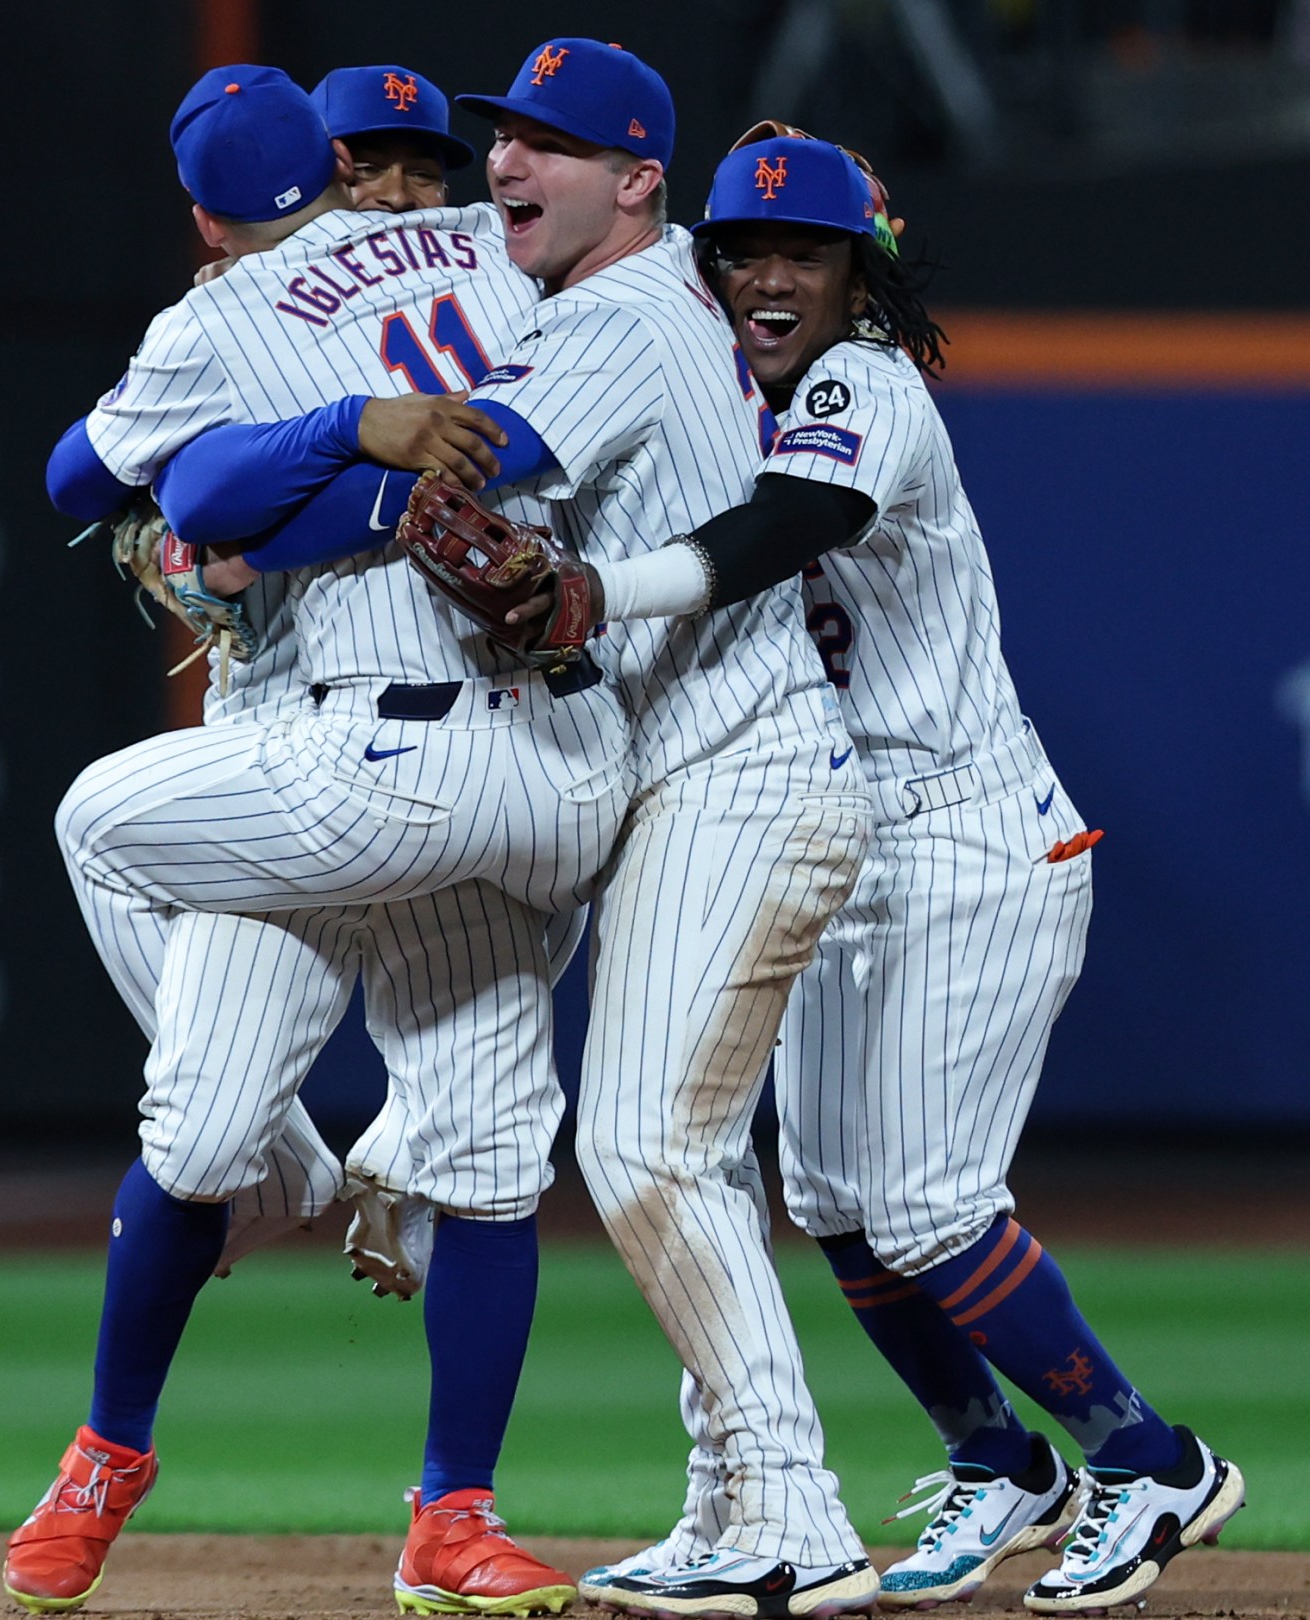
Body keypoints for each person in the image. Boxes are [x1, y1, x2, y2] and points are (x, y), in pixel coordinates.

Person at [152, 39, 884, 1616]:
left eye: (547, 147)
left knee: (647, 1149)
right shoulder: (607, 295)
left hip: (729, 771)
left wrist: (232, 507)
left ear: (639, 179)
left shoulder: (616, 323)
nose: (503, 168)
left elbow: (433, 497)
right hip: (668, 777)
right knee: (669, 1156)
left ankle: (797, 1515)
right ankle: (747, 1495)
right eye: (501, 141)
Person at [524, 129, 1248, 1616]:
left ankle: (1149, 1458)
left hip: (963, 833)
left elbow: (797, 525)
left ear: (864, 274)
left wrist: (605, 590)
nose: (774, 276)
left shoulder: (865, 384)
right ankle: (1001, 1462)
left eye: (810, 253)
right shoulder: (714, 391)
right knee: (841, 1202)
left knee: (925, 1206)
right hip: (846, 836)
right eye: (748, 252)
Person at [7, 62, 617, 1618]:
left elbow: (105, 479)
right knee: (205, 1138)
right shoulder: (493, 251)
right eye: (383, 162)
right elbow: (165, 498)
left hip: (438, 739)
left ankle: (454, 1518)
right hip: (317, 743)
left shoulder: (234, 316)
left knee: (486, 1160)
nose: (412, 188)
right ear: (338, 172)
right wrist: (320, 460)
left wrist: (288, 466)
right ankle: (110, 1443)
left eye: (435, 160)